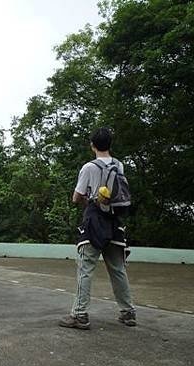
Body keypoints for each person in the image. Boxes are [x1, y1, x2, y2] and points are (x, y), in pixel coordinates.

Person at [59, 127, 136, 330]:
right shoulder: (119, 165)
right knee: (118, 269)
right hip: (115, 223)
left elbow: (76, 197)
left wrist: (88, 198)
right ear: (110, 145)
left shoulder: (89, 167)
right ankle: (128, 312)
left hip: (94, 222)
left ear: (92, 145)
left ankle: (80, 315)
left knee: (85, 269)